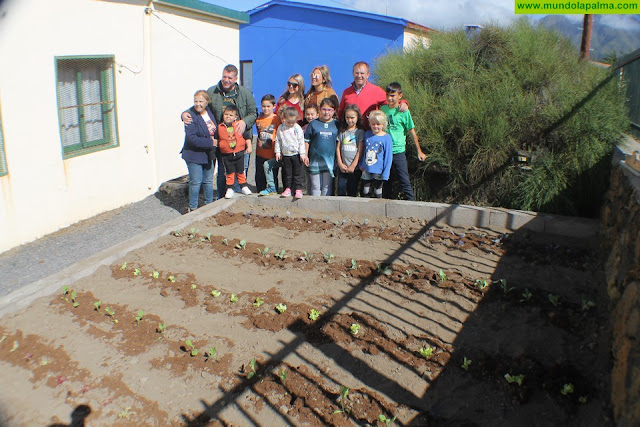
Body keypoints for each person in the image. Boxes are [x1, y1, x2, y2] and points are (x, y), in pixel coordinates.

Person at [182, 64, 257, 199]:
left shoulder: (245, 93)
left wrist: (244, 121)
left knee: (240, 170)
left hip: (240, 140)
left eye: (230, 77)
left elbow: (253, 112)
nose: (226, 80)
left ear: (235, 79)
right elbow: (200, 104)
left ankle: (238, 199)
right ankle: (222, 199)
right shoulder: (212, 91)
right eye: (224, 77)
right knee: (224, 171)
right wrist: (185, 113)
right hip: (222, 140)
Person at [380, 82, 427, 201]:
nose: (390, 98)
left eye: (393, 95)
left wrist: (419, 151)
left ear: (400, 96)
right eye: (388, 95)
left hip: (398, 151)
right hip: (385, 151)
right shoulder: (383, 110)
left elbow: (411, 131)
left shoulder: (403, 112)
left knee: (403, 179)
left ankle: (411, 204)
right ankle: (387, 203)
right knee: (386, 179)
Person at [337, 61, 407, 129]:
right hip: (351, 134)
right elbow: (340, 113)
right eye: (357, 73)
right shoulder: (347, 92)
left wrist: (402, 103)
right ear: (353, 73)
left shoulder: (376, 90)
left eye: (362, 73)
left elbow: (390, 101)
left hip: (370, 133)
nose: (359, 76)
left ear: (368, 75)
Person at [180, 90, 217, 211]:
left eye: (201, 101)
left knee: (208, 181)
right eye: (195, 101)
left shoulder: (210, 111)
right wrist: (211, 142)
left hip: (208, 154)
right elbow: (192, 139)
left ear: (207, 102)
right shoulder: (190, 116)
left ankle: (209, 205)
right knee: (196, 182)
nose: (198, 104)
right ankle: (193, 208)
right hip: (194, 154)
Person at [304, 97, 339, 196]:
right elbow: (307, 141)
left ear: (334, 111)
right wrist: (305, 155)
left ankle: (325, 207)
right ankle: (315, 207)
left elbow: (339, 143)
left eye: (329, 110)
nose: (326, 112)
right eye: (324, 109)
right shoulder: (313, 124)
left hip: (330, 161)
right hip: (315, 160)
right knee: (315, 186)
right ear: (320, 110)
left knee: (327, 186)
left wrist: (338, 158)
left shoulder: (336, 124)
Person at [217, 105, 252, 199]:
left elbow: (247, 137)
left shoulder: (238, 125)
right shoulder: (220, 127)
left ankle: (243, 186)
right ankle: (230, 188)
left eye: (231, 115)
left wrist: (249, 146)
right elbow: (216, 140)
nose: (228, 116)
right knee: (229, 172)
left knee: (240, 171)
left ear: (235, 117)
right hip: (226, 155)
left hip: (239, 153)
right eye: (226, 114)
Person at [275, 107, 307, 199]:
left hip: (296, 155)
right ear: (284, 118)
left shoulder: (297, 128)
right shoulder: (281, 128)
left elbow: (301, 142)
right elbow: (278, 140)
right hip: (286, 155)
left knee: (298, 173)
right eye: (289, 122)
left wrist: (302, 154)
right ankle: (288, 188)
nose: (291, 124)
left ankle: (298, 189)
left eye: (293, 122)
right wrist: (278, 152)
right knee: (287, 173)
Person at [359, 110, 393, 198]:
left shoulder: (386, 138)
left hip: (379, 170)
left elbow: (388, 157)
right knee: (366, 190)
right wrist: (361, 164)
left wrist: (386, 173)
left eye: (378, 124)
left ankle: (378, 209)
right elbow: (363, 151)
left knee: (378, 191)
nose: (375, 126)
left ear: (383, 124)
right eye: (373, 124)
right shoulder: (367, 134)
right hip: (367, 167)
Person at [255, 94, 281, 195]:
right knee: (260, 176)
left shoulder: (276, 119)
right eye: (263, 106)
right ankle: (259, 193)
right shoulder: (259, 119)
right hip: (260, 152)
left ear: (274, 106)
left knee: (272, 176)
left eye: (268, 106)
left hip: (272, 154)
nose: (266, 109)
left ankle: (274, 193)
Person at [336, 104, 364, 197]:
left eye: (352, 117)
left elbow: (360, 150)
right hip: (342, 168)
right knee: (341, 189)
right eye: (347, 117)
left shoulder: (359, 132)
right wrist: (340, 164)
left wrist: (353, 166)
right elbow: (338, 148)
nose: (349, 120)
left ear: (357, 117)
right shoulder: (342, 131)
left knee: (352, 190)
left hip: (354, 169)